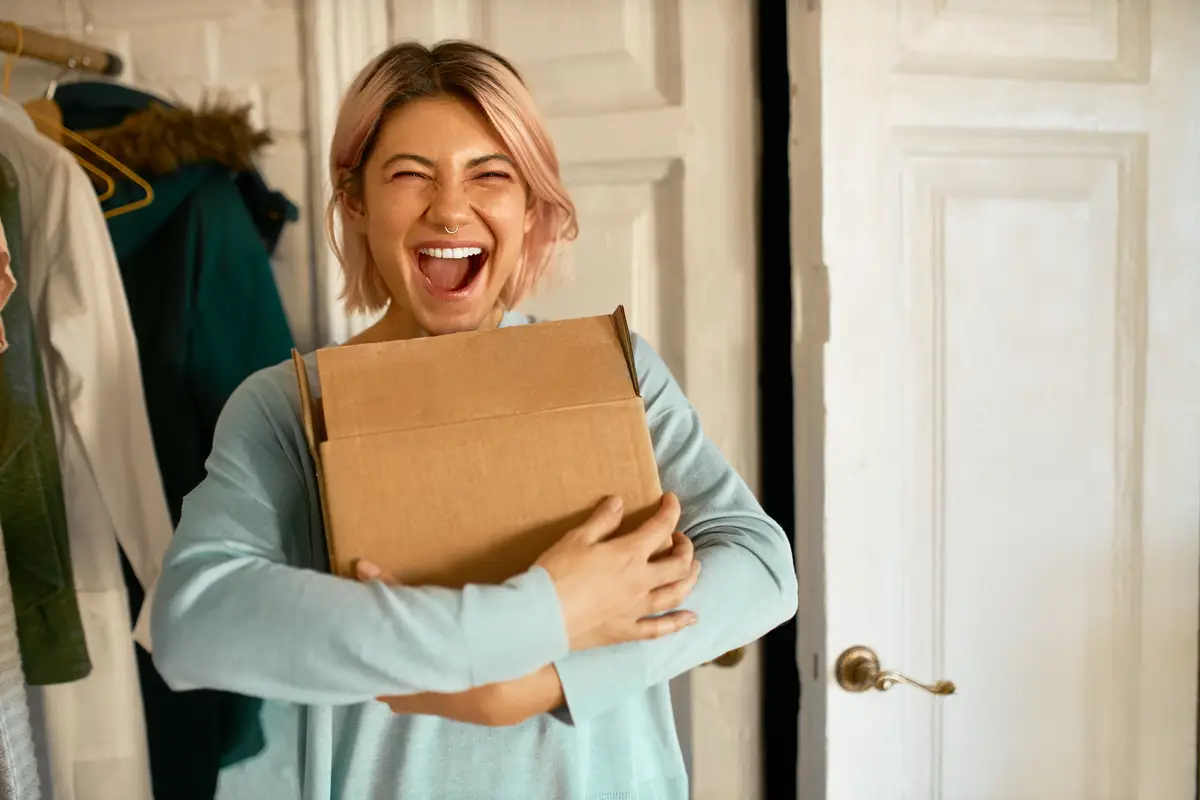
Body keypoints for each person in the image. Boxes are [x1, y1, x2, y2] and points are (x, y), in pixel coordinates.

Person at [150, 40, 798, 800]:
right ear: (355, 200)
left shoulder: (611, 370)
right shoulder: (292, 407)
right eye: (409, 174)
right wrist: (541, 615)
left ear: (531, 204)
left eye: (490, 174)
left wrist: (542, 681)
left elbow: (760, 565)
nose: (450, 208)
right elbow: (193, 622)